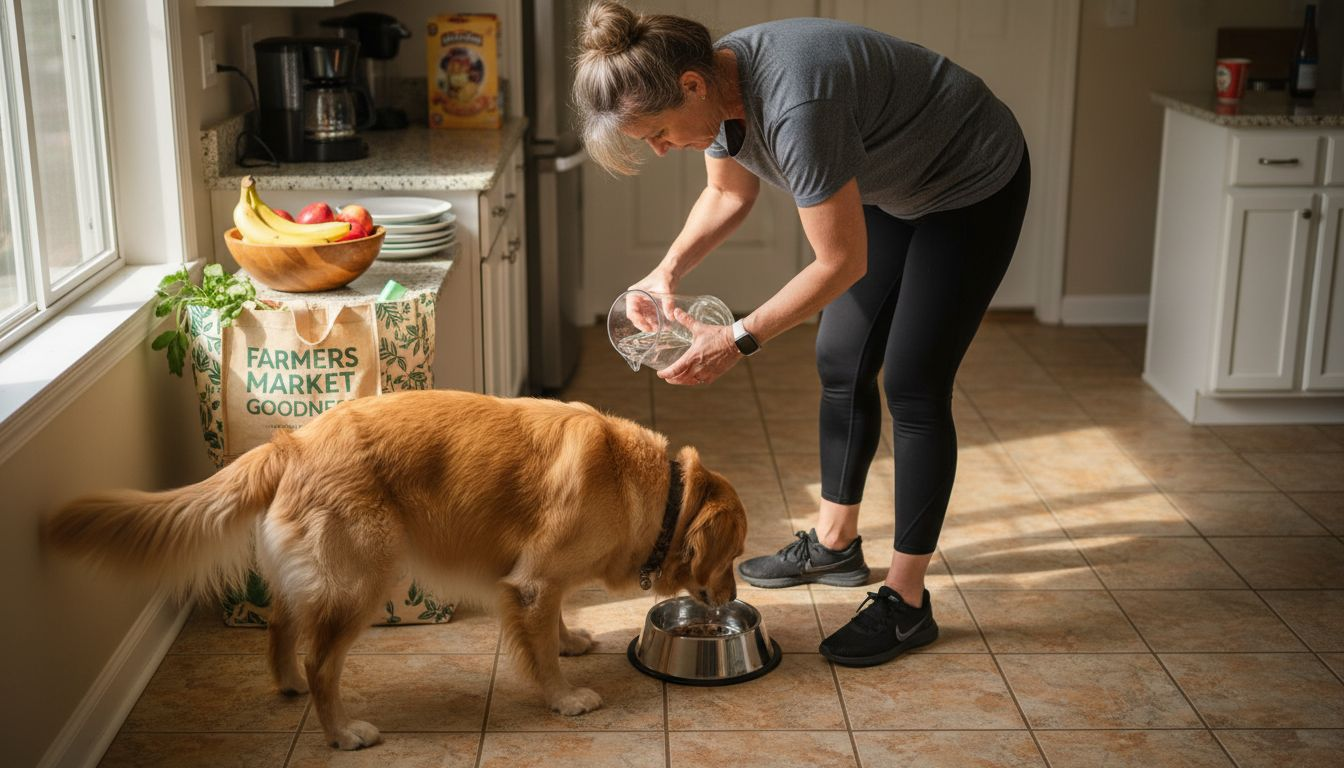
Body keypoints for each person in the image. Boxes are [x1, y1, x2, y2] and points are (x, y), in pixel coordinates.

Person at [573, 0, 1029, 668]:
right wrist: (661, 274)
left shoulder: (796, 106)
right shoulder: (712, 87)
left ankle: (906, 604)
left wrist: (738, 337)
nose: (660, 148)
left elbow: (842, 261)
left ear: (693, 87)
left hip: (969, 180)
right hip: (894, 184)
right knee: (840, 356)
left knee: (913, 383)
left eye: (657, 132)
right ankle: (836, 543)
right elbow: (729, 195)